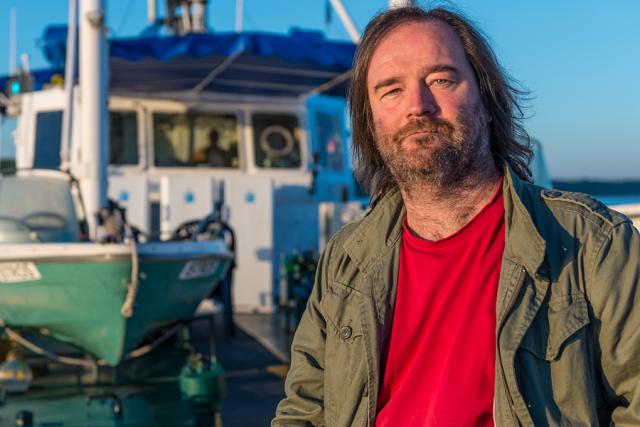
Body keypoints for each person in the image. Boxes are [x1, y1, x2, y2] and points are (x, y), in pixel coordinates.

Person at [273, 5, 640, 427]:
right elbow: (304, 410)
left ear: (486, 101)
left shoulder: (591, 245)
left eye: (441, 80)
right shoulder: (345, 261)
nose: (418, 105)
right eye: (390, 90)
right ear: (371, 124)